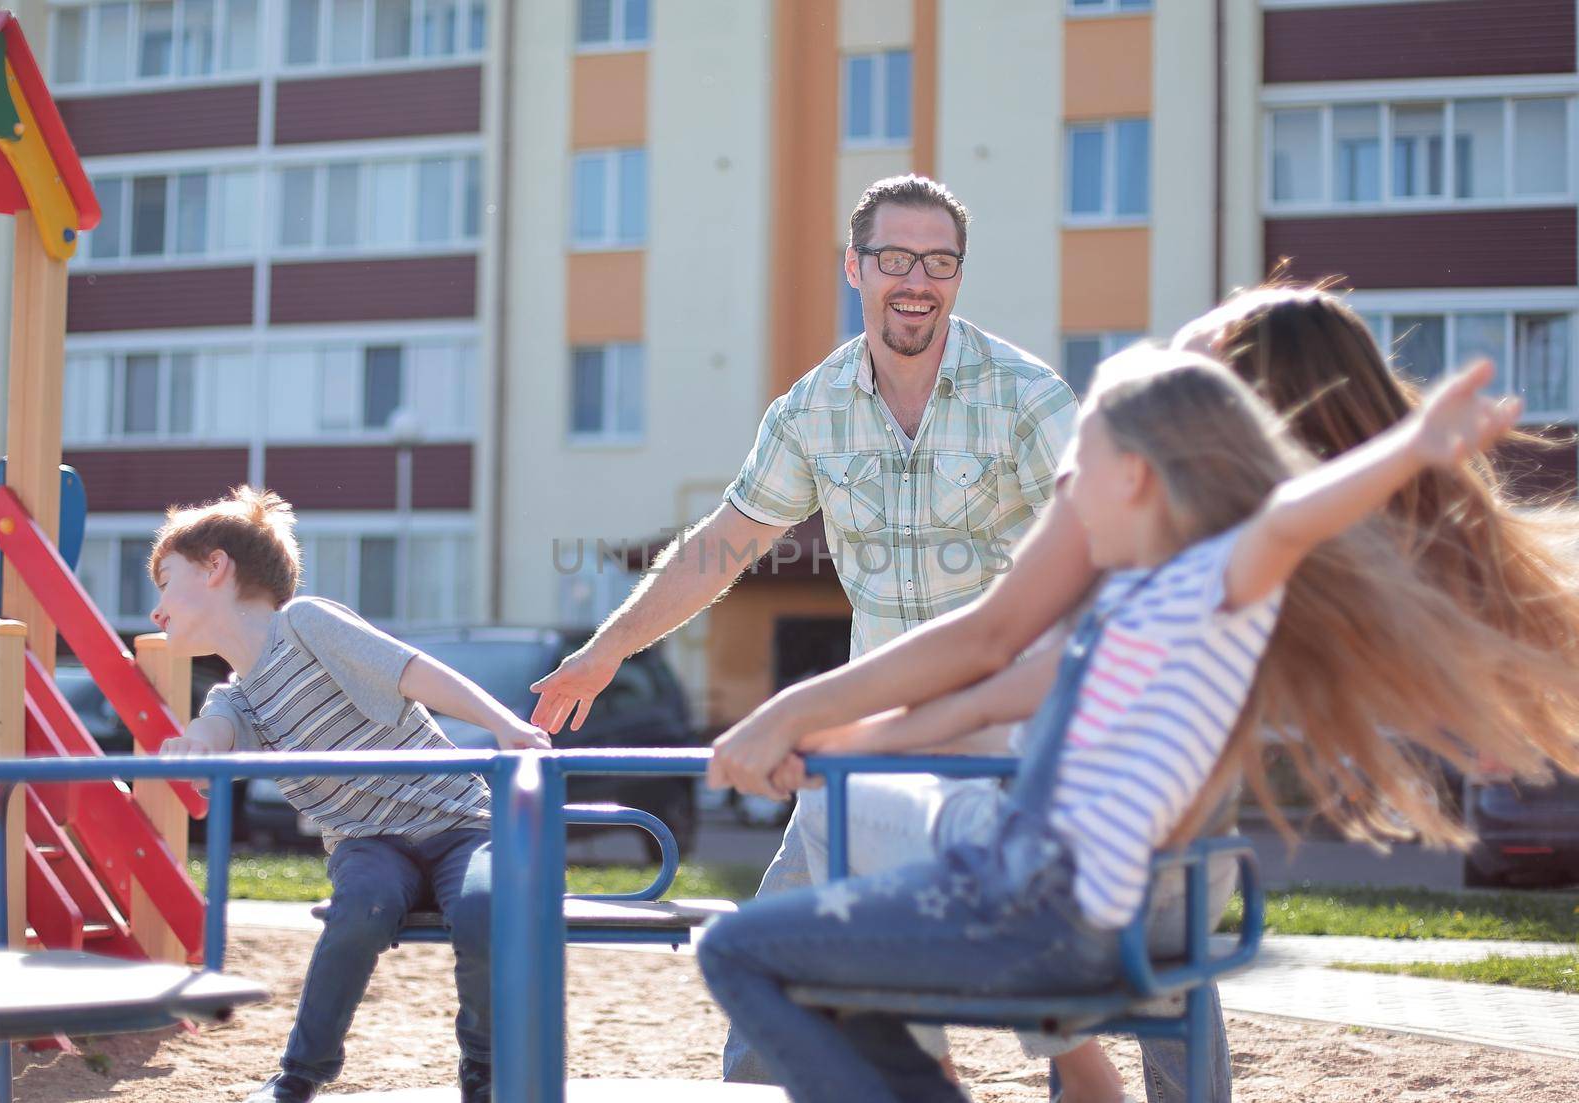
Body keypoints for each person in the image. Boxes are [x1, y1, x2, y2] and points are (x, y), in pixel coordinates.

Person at [713, 283, 1579, 1100]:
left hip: (1068, 857)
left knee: (838, 858)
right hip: (1105, 837)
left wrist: (799, 711)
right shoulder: (1170, 577)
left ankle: (1046, 1060)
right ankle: (1074, 1062)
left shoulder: (1182, 528)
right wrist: (849, 735)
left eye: (1211, 338)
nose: (1190, 333)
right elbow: (1003, 684)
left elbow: (991, 642)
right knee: (874, 826)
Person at [523, 174, 1080, 1083]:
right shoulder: (815, 407)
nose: (918, 280)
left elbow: (1108, 530)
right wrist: (608, 647)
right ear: (853, 268)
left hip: (1012, 722)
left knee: (1101, 961)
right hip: (879, 734)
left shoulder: (1024, 394)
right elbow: (725, 545)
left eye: (940, 263)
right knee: (773, 954)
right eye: (895, 259)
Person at [148, 486, 550, 1103]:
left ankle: (485, 1065)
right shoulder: (234, 697)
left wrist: (504, 724)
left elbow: (412, 671)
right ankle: (300, 1075)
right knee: (357, 910)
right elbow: (214, 735)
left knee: (481, 909)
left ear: (215, 567)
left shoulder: (306, 624)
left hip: (459, 824)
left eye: (165, 581)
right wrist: (192, 748)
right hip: (367, 845)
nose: (157, 609)